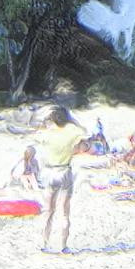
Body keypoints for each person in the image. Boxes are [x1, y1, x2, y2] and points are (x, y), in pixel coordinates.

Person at [40, 107, 88, 253]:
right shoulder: (72, 131)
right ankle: (63, 246)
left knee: (48, 211)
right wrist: (73, 121)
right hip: (64, 170)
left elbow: (37, 133)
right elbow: (85, 134)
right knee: (64, 212)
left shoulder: (47, 133)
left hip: (49, 172)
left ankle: (45, 244)